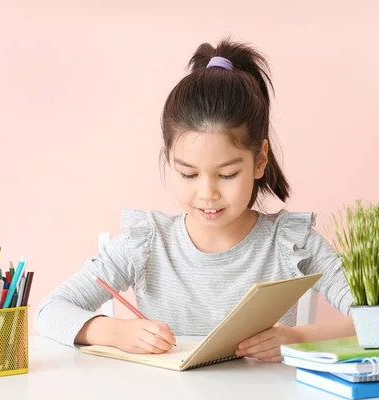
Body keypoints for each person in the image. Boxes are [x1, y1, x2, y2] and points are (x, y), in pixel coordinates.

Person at [35, 38, 354, 363]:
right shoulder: (146, 243)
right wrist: (117, 332)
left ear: (260, 160)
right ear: (169, 161)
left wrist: (298, 339)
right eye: (188, 174)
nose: (207, 194)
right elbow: (49, 312)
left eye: (227, 174)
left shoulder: (291, 245)